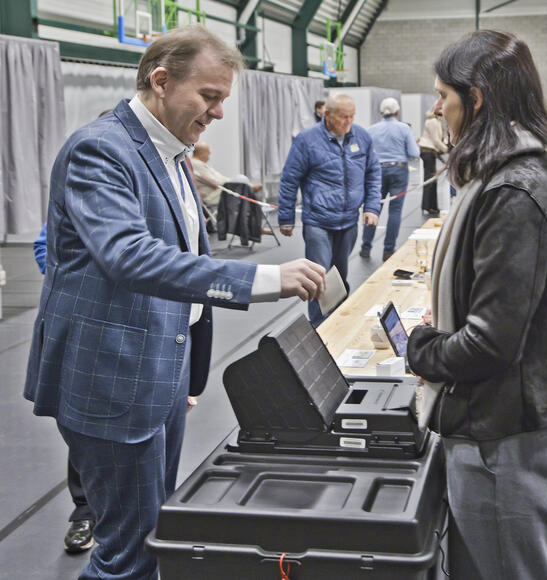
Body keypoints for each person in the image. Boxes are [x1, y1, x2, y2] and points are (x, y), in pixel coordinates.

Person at [24, 25, 326, 580]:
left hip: (159, 370)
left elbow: (179, 257)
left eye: (223, 101)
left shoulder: (172, 152)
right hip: (110, 379)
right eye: (208, 96)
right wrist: (260, 279)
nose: (215, 112)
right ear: (160, 81)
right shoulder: (101, 149)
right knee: (128, 556)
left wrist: (181, 373)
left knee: (153, 535)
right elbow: (129, 258)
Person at [406, 30, 547, 579]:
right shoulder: (519, 175)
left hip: (509, 427)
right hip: (518, 417)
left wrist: (423, 349)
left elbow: (490, 342)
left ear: (479, 98)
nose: (439, 109)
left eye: (444, 96)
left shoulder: (514, 193)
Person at [278, 93, 381, 326]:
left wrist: (372, 207)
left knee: (340, 277)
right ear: (327, 114)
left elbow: (373, 172)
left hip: (348, 220)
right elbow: (289, 178)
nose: (348, 122)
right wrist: (286, 216)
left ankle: (338, 323)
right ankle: (320, 328)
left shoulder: (362, 137)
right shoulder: (307, 140)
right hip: (318, 221)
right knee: (318, 279)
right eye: (343, 117)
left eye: (352, 116)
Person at [33, 224, 96, 554]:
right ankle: (85, 512)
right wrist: (78, 284)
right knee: (84, 422)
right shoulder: (88, 178)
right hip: (88, 330)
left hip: (152, 333)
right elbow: (44, 247)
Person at [360, 97, 420, 262]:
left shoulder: (371, 130)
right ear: (397, 111)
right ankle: (388, 250)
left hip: (377, 171)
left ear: (381, 112)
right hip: (399, 170)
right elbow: (414, 153)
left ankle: (365, 247)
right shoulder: (404, 129)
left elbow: (365, 154)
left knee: (373, 208)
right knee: (395, 210)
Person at [191, 141, 262, 209]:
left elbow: (220, 179)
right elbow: (216, 182)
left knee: (240, 182)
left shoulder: (200, 164)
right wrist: (234, 182)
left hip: (216, 192)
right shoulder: (196, 165)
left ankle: (249, 188)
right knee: (240, 182)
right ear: (201, 153)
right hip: (211, 197)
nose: (210, 153)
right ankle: (249, 188)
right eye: (208, 152)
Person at [418, 103, 448, 214]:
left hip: (431, 152)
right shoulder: (433, 122)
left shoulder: (437, 121)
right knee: (430, 179)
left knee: (432, 179)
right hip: (428, 152)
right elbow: (436, 140)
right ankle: (428, 206)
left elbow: (440, 139)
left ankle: (432, 206)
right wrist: (447, 150)